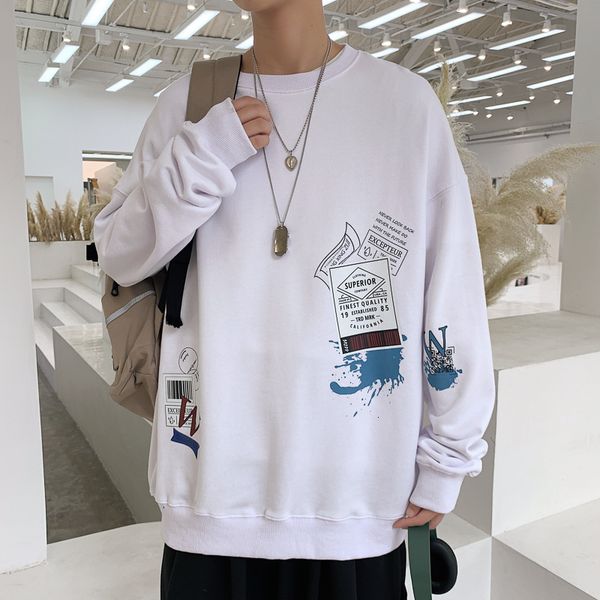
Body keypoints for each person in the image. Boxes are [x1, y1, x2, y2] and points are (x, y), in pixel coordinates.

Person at [93, 0, 496, 597]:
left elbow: (451, 291)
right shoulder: (189, 105)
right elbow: (120, 256)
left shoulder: (404, 106)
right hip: (212, 496)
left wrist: (449, 455)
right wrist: (202, 157)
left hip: (356, 503)